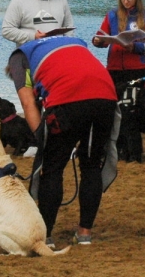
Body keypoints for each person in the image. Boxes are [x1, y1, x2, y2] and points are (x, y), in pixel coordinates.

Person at [8, 36, 117, 246]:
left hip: (68, 99)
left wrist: (41, 139)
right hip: (105, 95)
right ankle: (85, 233)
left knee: (52, 166)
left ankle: (46, 235)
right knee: (91, 164)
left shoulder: (18, 57)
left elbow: (27, 101)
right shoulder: (75, 41)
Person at [93, 0, 145, 88]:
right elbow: (101, 36)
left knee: (134, 102)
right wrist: (97, 41)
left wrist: (135, 47)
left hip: (137, 69)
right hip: (114, 68)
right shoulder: (112, 15)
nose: (125, 2)